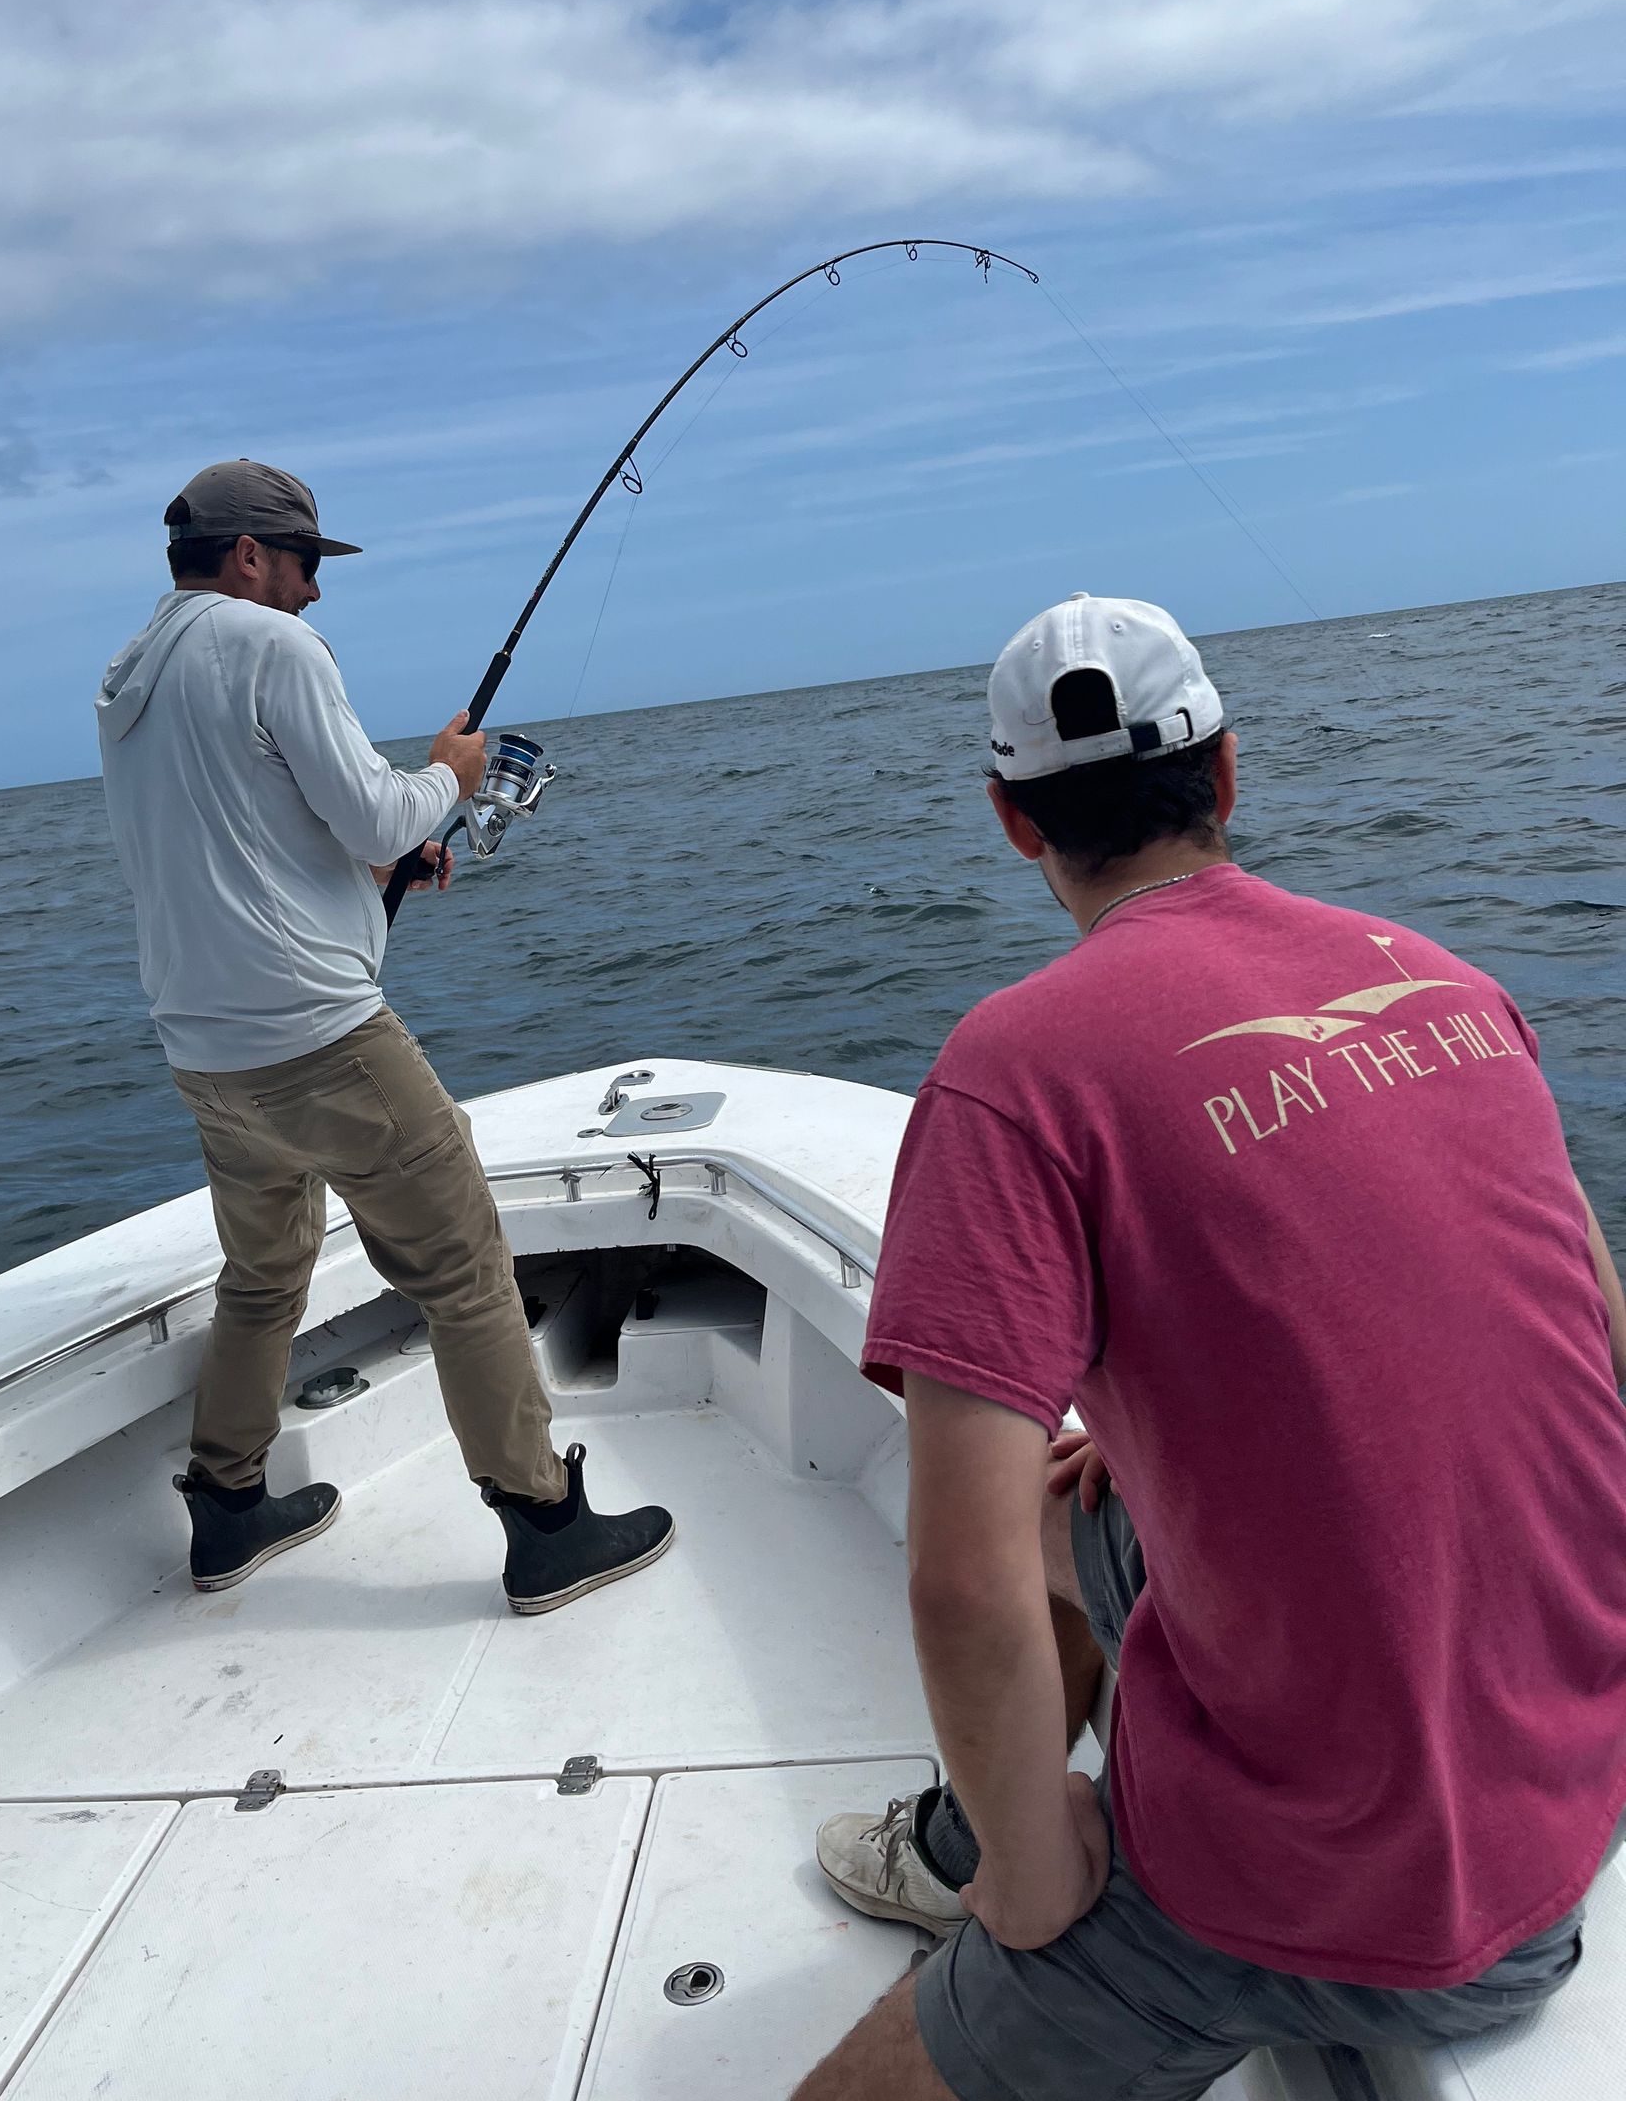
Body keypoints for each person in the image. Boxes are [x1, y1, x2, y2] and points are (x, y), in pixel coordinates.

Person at [802, 593, 1626, 2101]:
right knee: (1077, 1505)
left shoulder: (1012, 1071)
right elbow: (1594, 1339)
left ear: (1009, 821)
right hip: (1577, 1802)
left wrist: (1049, 1892)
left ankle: (997, 1864)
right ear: (1229, 774)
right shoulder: (1445, 976)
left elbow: (959, 1578)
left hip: (1346, 1896)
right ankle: (973, 1840)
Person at [95, 459, 674, 1607]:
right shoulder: (271, 645)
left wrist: (380, 859)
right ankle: (544, 1521)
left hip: (206, 1050)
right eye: (307, 563)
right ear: (252, 555)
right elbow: (374, 805)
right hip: (317, 1036)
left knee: (264, 1275)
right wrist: (446, 782)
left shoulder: (130, 675)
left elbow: (248, 835)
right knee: (465, 1265)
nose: (316, 592)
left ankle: (228, 1505)